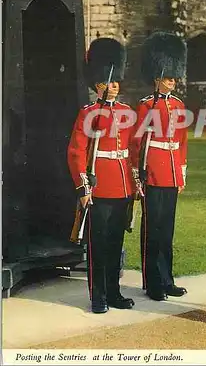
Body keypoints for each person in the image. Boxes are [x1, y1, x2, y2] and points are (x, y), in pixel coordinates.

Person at [68, 38, 136, 314]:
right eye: (110, 82)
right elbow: (76, 152)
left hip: (122, 187)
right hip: (100, 187)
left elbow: (131, 150)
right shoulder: (89, 113)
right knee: (98, 246)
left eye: (117, 82)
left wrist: (135, 184)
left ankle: (114, 292)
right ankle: (98, 297)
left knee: (116, 243)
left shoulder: (127, 113)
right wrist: (83, 189)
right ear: (98, 85)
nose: (115, 86)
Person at [131, 32, 188, 301]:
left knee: (167, 230)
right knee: (152, 229)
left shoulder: (178, 105)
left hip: (172, 172)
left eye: (174, 77)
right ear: (157, 79)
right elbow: (136, 142)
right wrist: (137, 174)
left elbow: (182, 141)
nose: (173, 81)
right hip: (152, 171)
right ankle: (152, 282)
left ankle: (167, 280)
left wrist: (182, 171)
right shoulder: (145, 106)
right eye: (168, 77)